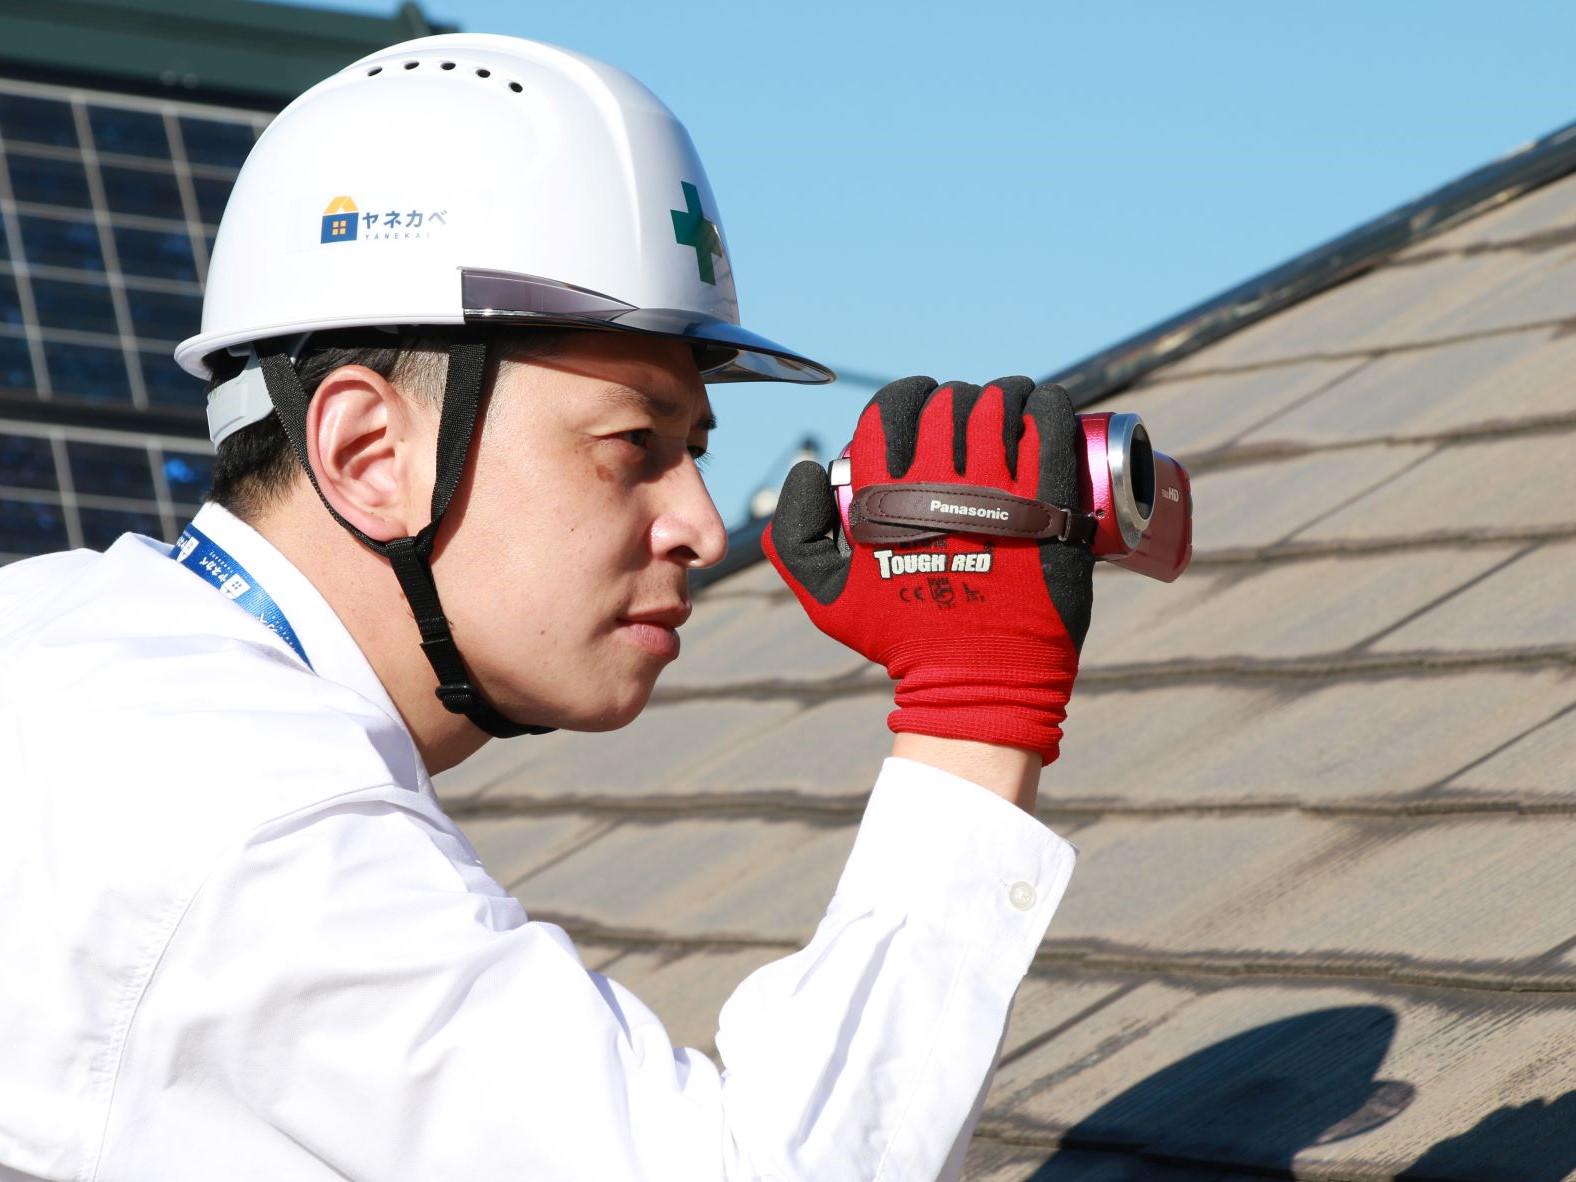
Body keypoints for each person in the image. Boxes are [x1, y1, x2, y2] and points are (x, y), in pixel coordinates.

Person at [0, 33, 1093, 1182]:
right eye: (632, 444)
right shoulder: (270, 837)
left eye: (696, 449)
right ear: (369, 452)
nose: (701, 525)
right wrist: (976, 707)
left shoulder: (58, 631)